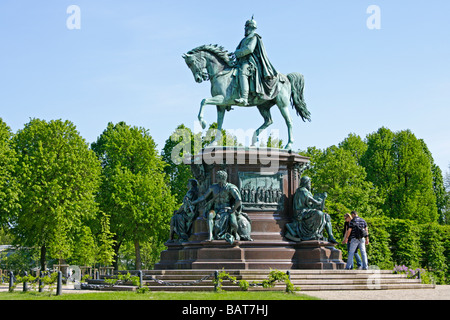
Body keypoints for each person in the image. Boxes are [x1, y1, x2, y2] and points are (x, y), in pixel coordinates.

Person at [191, 170, 252, 243]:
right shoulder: (213, 187)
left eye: (218, 177)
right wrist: (193, 202)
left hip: (227, 209)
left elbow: (238, 200)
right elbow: (204, 197)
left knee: (234, 224)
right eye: (216, 177)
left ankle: (235, 234)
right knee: (210, 215)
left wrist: (233, 209)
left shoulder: (230, 187)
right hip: (215, 209)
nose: (216, 178)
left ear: (223, 178)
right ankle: (210, 236)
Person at [233, 16, 279, 106]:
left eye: (247, 27)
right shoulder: (244, 39)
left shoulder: (254, 37)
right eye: (245, 27)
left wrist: (238, 53)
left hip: (250, 62)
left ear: (252, 28)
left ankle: (244, 98)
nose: (245, 29)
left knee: (243, 71)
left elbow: (249, 49)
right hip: (241, 61)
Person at [285, 176, 337, 243]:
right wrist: (319, 201)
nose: (310, 184)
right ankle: (313, 234)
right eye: (309, 183)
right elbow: (313, 201)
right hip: (301, 213)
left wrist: (322, 200)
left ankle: (330, 236)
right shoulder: (302, 190)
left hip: (307, 211)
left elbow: (312, 205)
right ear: (306, 183)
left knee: (326, 216)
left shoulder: (307, 191)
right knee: (319, 213)